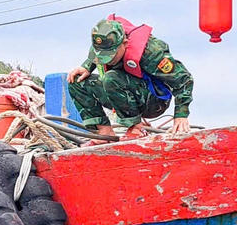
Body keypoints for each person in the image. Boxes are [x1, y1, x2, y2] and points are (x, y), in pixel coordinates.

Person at [66, 15, 194, 140]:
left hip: (153, 101)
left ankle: (137, 129)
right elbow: (98, 53)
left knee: (111, 78)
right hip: (120, 93)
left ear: (124, 43)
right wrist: (87, 67)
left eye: (110, 55)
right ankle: (105, 133)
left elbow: (184, 79)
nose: (106, 61)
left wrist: (181, 115)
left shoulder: (151, 51)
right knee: (77, 80)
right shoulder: (104, 41)